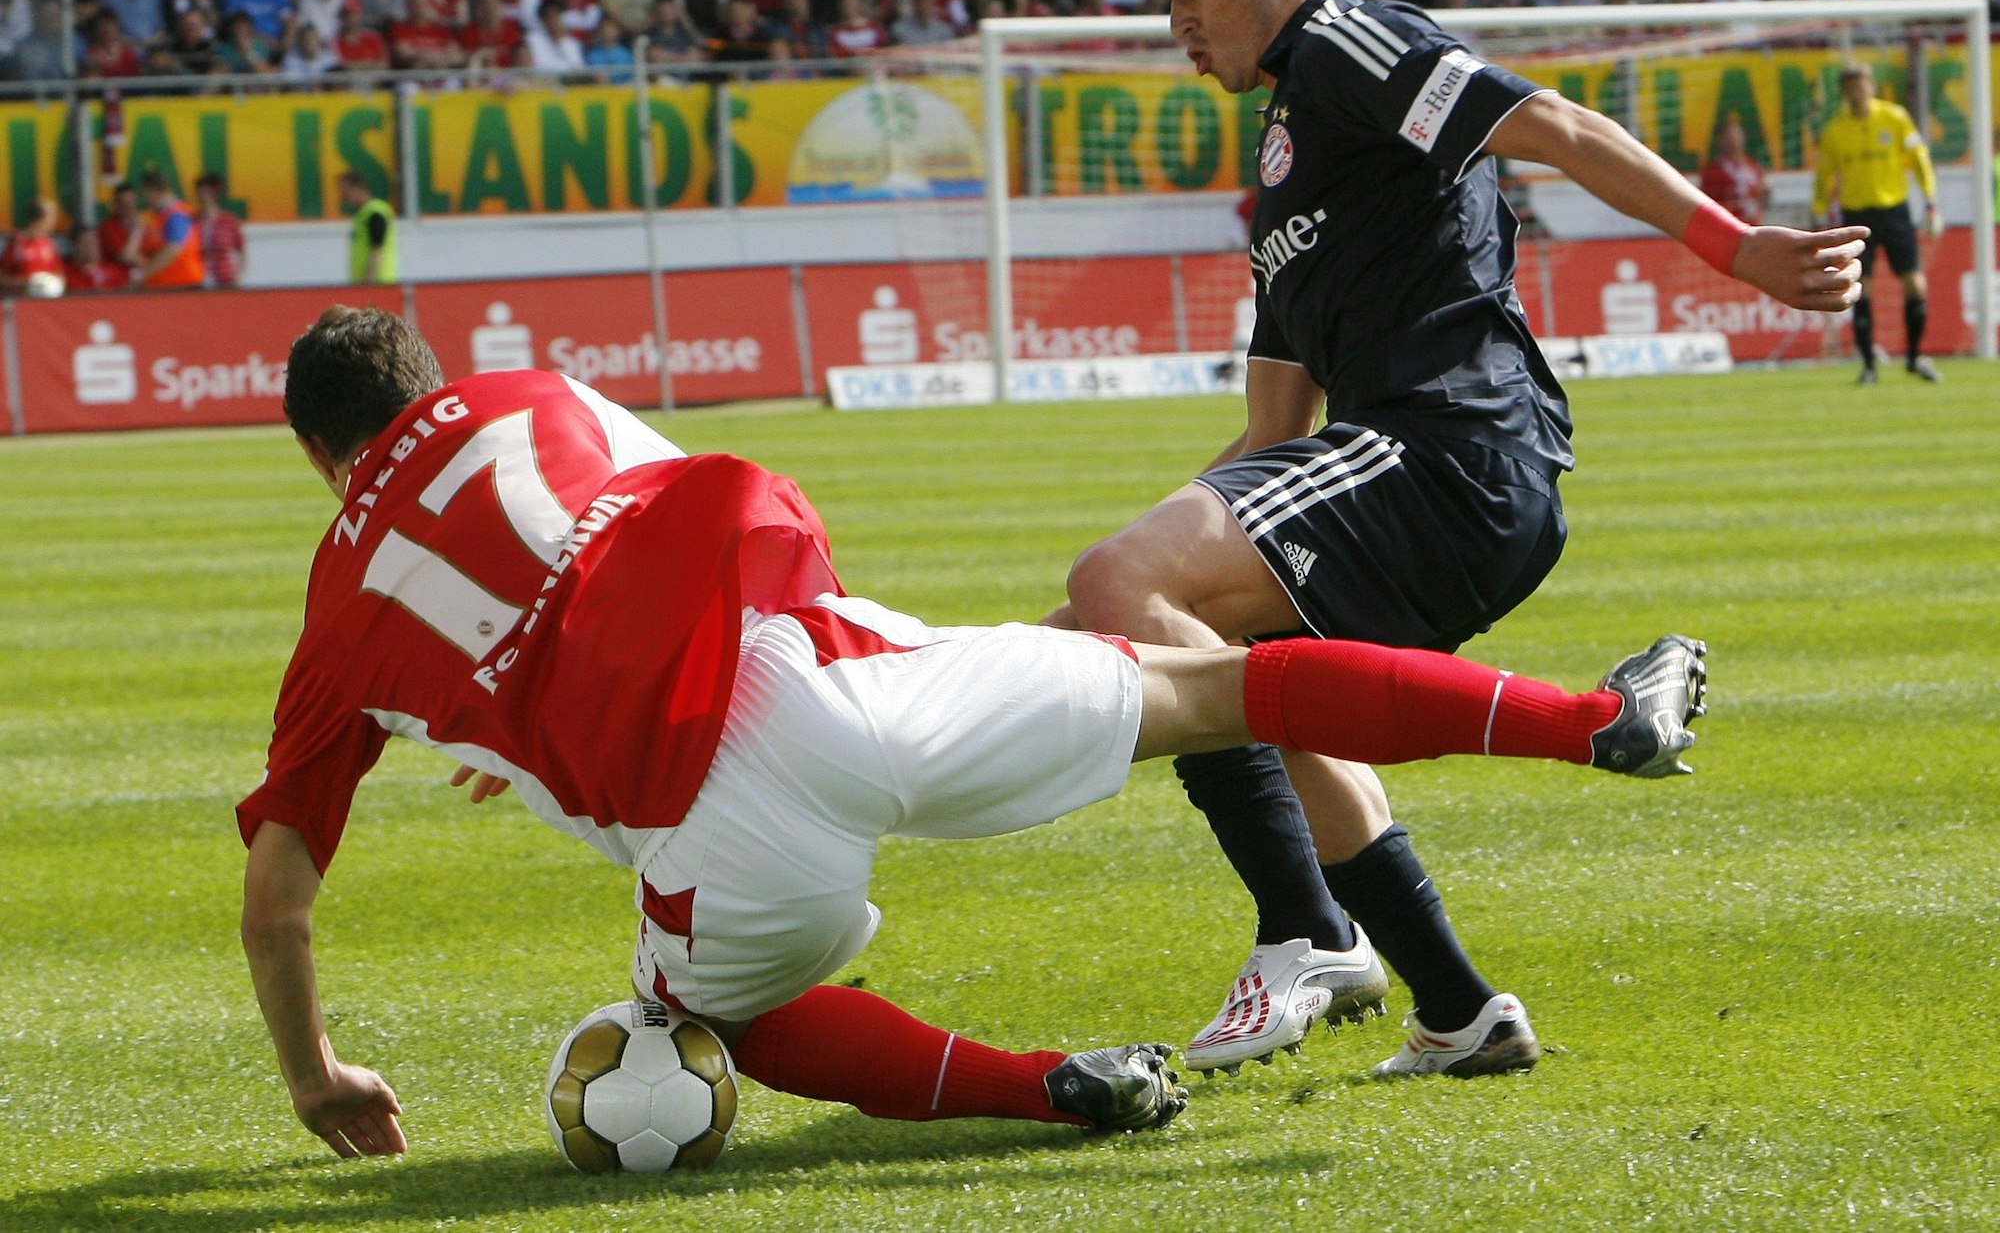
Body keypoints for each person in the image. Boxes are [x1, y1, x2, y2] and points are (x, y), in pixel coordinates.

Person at [241, 306, 1708, 1157]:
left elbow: (278, 907)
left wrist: (318, 1081)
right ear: (428, 381)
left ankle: (1053, 1087)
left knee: (729, 1018)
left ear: (318, 457)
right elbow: (645, 541)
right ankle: (1601, 720)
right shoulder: (538, 393)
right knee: (1223, 689)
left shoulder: (332, 611)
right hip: (834, 675)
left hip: (714, 816)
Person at [1052, 0, 1865, 1079]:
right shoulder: (1285, 166)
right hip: (1404, 465)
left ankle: (1304, 931)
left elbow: (1556, 126)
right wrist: (1090, 617)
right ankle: (1456, 1009)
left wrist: (1737, 245)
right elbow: (1273, 434)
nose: (1177, 21)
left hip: (1452, 448)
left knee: (1133, 594)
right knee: (1132, 630)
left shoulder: (1341, 40)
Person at [1811, 63, 1942, 384]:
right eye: (1850, 87)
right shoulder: (1835, 130)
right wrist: (1819, 210)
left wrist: (1930, 202)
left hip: (1893, 211)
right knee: (1860, 288)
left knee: (1915, 284)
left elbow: (1919, 159)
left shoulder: (1895, 118)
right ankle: (1869, 365)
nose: (1856, 92)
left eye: (1861, 85)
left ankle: (1914, 357)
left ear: (1872, 85)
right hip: (1857, 216)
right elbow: (1824, 175)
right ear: (1844, 92)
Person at [132, 169, 205, 288]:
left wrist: (142, 275)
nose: (145, 199)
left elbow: (172, 250)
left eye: (145, 193)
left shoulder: (176, 215)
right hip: (166, 285)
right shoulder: (158, 217)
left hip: (182, 285)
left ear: (153, 191)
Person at [1699, 116, 1768, 226]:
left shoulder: (1753, 167)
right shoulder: (1714, 171)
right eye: (1729, 136)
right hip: (1728, 228)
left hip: (1754, 225)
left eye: (1737, 135)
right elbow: (1708, 203)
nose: (1734, 140)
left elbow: (1763, 194)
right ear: (1720, 140)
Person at [339, 170, 397, 284]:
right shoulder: (362, 214)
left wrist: (368, 282)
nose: (343, 197)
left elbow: (377, 248)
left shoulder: (375, 212)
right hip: (366, 282)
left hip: (377, 282)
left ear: (358, 188)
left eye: (346, 192)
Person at [0, 197, 65, 295]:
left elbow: (59, 274)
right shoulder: (16, 243)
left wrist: (52, 284)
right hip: (23, 304)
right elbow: (3, 278)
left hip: (49, 305)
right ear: (39, 219)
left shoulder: (48, 244)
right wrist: (30, 283)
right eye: (51, 217)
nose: (54, 222)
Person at [195, 172, 246, 288]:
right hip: (199, 281)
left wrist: (239, 275)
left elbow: (241, 250)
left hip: (225, 279)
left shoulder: (229, 221)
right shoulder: (193, 221)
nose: (203, 196)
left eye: (207, 191)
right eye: (200, 191)